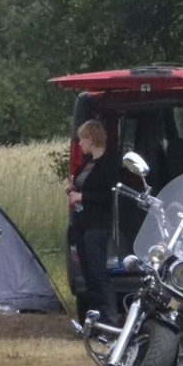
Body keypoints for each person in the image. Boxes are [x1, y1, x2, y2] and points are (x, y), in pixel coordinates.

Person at [68, 119, 122, 326]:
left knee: (98, 272)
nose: (80, 143)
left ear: (91, 139)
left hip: (97, 224)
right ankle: (94, 319)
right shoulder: (87, 162)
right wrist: (73, 190)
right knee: (88, 273)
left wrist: (84, 196)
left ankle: (110, 318)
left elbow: (109, 194)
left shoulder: (108, 163)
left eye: (82, 139)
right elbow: (83, 185)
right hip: (81, 223)